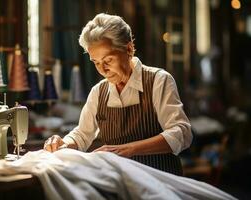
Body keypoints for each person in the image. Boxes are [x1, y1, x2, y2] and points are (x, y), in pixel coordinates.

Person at [44, 13, 192, 175]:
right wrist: (63, 143)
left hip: (162, 180)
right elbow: (82, 134)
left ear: (128, 49)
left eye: (108, 60)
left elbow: (181, 133)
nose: (102, 69)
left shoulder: (158, 81)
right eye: (96, 62)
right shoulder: (98, 92)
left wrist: (128, 149)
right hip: (121, 183)